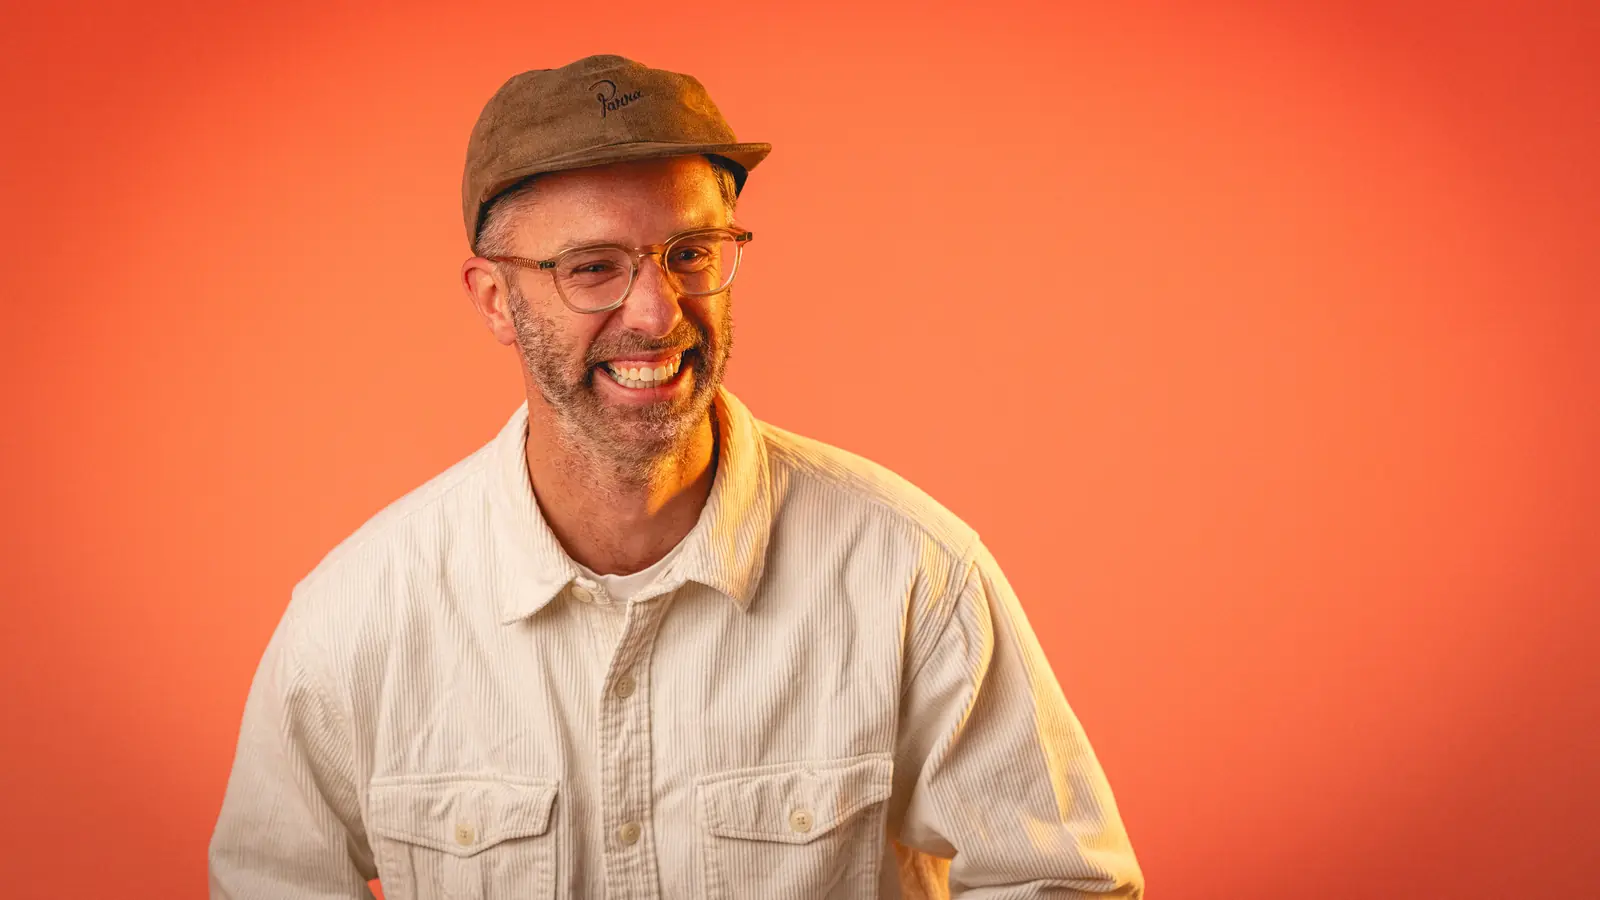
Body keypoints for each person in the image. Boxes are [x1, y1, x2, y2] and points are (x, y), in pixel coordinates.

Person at [208, 53, 1145, 899]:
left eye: (691, 254)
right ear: (496, 298)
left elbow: (1066, 883)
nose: (657, 312)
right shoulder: (355, 620)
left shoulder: (915, 576)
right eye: (591, 268)